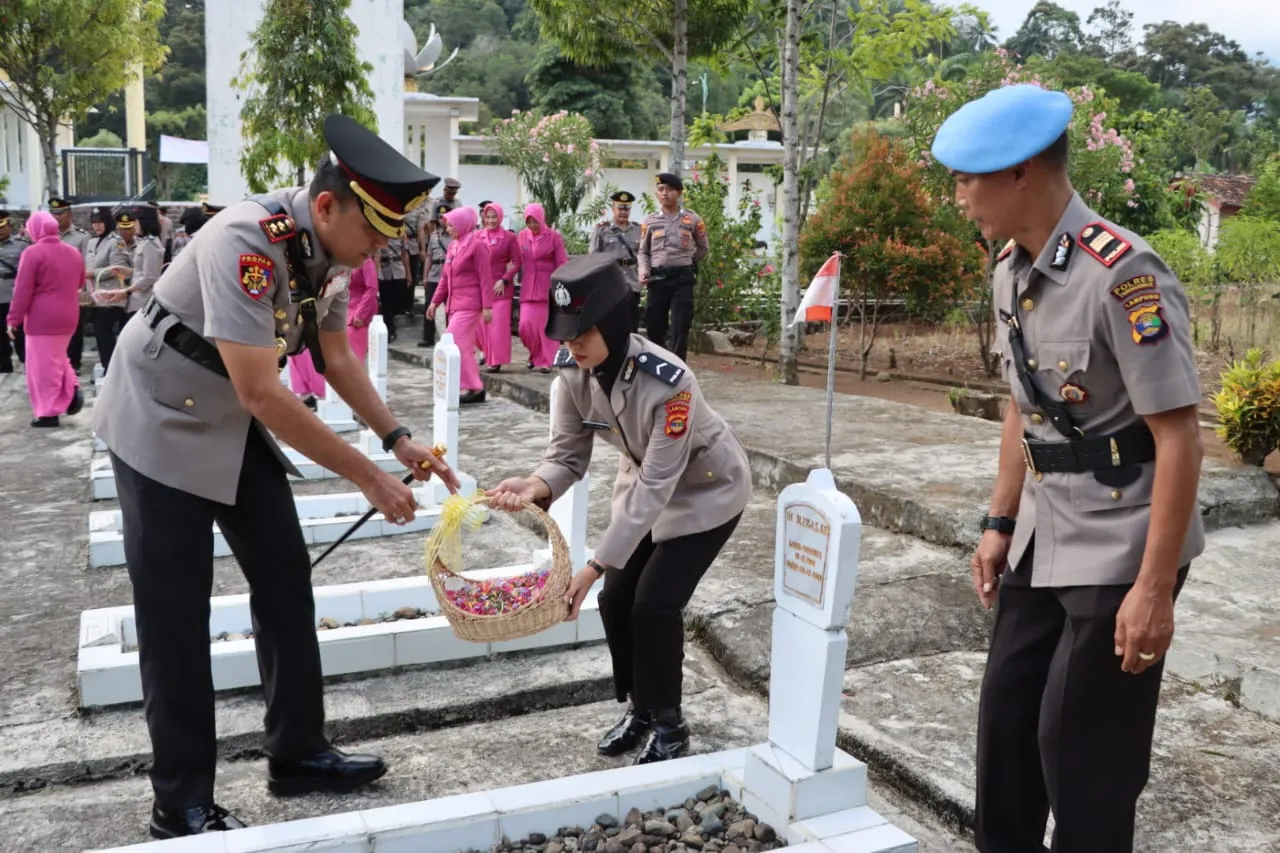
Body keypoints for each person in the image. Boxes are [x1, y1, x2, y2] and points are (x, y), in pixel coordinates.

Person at [90, 114, 461, 840]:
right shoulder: (248, 244)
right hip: (160, 413)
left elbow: (338, 358)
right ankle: (181, 799)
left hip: (223, 412)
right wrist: (368, 477)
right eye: (375, 231)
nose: (380, 249)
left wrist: (397, 438)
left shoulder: (325, 253)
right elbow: (265, 392)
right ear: (328, 206)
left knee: (285, 574)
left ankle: (296, 752)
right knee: (176, 611)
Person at [931, 84, 1205, 853]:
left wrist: (1154, 589)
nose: (959, 197)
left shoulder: (1122, 274)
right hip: (1046, 532)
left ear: (1020, 171)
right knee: (1007, 728)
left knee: (1082, 752)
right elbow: (1026, 405)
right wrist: (998, 521)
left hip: (1125, 535)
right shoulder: (1010, 271)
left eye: (967, 178)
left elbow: (1181, 437)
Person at [487, 253, 752, 764]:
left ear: (612, 322)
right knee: (615, 600)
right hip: (647, 490)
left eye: (582, 332)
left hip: (705, 493)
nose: (571, 345)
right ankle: (642, 709)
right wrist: (534, 486)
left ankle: (671, 725)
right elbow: (566, 455)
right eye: (565, 335)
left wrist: (591, 566)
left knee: (654, 602)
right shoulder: (572, 371)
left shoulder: (670, 381)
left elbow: (658, 484)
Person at [5, 211, 85, 426]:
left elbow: (22, 291)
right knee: (57, 357)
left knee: (41, 367)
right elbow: (79, 283)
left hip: (42, 319)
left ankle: (48, 413)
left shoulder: (33, 253)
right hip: (69, 315)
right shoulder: (73, 252)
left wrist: (13, 320)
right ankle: (71, 390)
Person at [637, 173, 708, 361]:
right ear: (656, 194)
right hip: (658, 278)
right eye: (661, 190)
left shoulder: (692, 219)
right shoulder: (650, 221)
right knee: (654, 324)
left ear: (679, 193)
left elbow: (703, 248)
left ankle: (678, 366)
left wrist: (687, 261)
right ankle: (656, 362)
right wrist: (643, 271)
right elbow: (643, 252)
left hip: (682, 280)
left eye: (669, 190)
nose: (665, 193)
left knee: (680, 325)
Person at [426, 206, 492, 404]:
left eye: (451, 225)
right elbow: (445, 279)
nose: (447, 229)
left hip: (471, 304)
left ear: (463, 224)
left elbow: (486, 278)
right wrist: (434, 302)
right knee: (459, 345)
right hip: (454, 305)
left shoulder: (477, 245)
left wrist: (487, 307)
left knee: (454, 342)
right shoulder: (454, 246)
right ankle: (471, 386)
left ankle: (473, 386)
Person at [515, 202, 567, 373]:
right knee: (525, 327)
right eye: (529, 222)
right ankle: (535, 354)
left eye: (535, 221)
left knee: (545, 327)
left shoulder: (553, 237)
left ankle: (547, 360)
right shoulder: (522, 236)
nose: (532, 225)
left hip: (548, 287)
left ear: (541, 219)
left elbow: (561, 263)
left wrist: (561, 285)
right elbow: (515, 259)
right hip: (528, 287)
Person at [590, 190, 643, 332]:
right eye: (620, 208)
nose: (623, 212)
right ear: (613, 208)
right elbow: (593, 258)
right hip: (610, 284)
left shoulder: (638, 230)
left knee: (631, 325)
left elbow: (643, 255)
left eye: (627, 209)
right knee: (611, 325)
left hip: (632, 283)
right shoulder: (602, 230)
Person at [478, 202, 520, 373]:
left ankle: (496, 360)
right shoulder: (478, 236)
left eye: (494, 217)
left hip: (501, 288)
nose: (491, 220)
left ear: (500, 217)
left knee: (498, 326)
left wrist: (505, 279)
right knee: (483, 326)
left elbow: (517, 261)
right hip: (482, 288)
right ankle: (487, 355)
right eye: (488, 217)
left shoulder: (509, 238)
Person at [0, 210, 31, 372]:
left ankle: (27, 361)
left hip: (14, 295)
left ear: (9, 226)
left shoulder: (21, 245)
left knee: (19, 332)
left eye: (2, 227)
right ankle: (4, 364)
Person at [417, 204, 452, 348]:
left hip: (448, 275)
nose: (442, 219)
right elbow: (429, 257)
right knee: (429, 305)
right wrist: (425, 276)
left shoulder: (454, 235)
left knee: (450, 308)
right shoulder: (434, 235)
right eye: (439, 217)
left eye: (444, 216)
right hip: (434, 274)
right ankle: (428, 337)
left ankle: (451, 336)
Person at [347, 257, 380, 364]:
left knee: (355, 359)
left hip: (359, 311)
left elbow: (372, 288)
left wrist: (361, 314)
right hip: (345, 310)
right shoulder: (344, 260)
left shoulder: (366, 261)